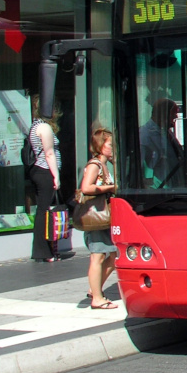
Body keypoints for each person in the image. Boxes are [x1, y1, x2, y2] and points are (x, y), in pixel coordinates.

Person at [79, 126, 119, 309]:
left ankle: (95, 289)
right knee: (98, 257)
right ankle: (97, 298)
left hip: (104, 217)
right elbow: (86, 187)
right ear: (101, 145)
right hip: (96, 217)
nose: (113, 147)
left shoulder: (105, 165)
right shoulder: (94, 165)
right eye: (110, 144)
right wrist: (109, 188)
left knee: (112, 256)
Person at [29, 97, 62, 263]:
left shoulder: (34, 125)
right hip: (44, 171)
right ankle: (43, 251)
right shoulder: (44, 127)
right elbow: (49, 153)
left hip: (38, 171)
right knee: (44, 211)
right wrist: (56, 175)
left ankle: (43, 250)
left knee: (42, 210)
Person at [140, 97, 183, 187]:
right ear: (163, 114)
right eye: (174, 113)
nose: (176, 116)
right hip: (158, 191)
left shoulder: (168, 133)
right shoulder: (145, 135)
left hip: (175, 188)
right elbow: (139, 168)